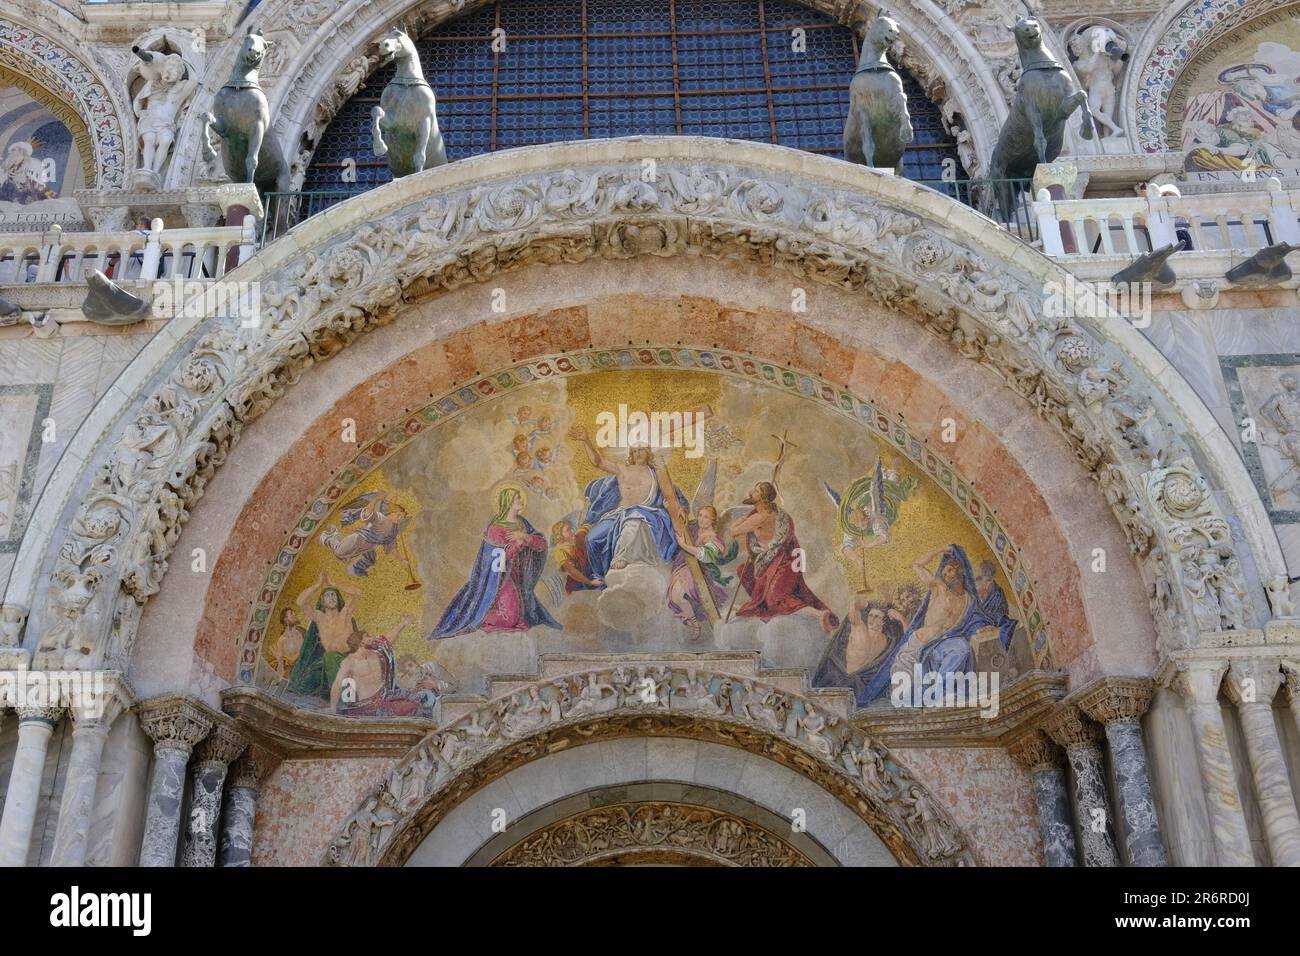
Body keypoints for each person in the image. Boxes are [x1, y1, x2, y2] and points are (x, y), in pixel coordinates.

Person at [429, 486, 560, 637]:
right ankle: (477, 615)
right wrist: (518, 543)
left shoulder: (523, 524)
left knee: (523, 615)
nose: (521, 500)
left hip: (520, 577)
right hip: (500, 579)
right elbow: (498, 561)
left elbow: (541, 544)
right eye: (517, 497)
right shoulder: (495, 529)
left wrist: (525, 537)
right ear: (509, 501)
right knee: (510, 619)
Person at [568, 425, 686, 576]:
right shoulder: (622, 469)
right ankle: (601, 575)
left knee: (633, 523)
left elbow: (671, 494)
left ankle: (621, 557)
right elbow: (598, 462)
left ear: (649, 451)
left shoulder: (657, 473)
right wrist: (586, 440)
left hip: (645, 513)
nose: (638, 453)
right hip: (619, 514)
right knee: (592, 539)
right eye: (634, 450)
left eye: (641, 449)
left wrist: (681, 508)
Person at [728, 482, 828, 620]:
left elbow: (733, 532)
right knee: (743, 571)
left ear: (763, 498)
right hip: (779, 560)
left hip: (781, 563)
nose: (751, 492)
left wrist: (742, 520)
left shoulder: (758, 517)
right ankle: (763, 606)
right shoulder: (776, 512)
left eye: (756, 491)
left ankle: (819, 615)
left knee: (774, 599)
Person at [814, 599, 905, 705]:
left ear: (883, 621)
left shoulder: (888, 641)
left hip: (862, 687)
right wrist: (867, 604)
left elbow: (909, 639)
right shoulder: (860, 629)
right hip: (843, 682)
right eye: (870, 615)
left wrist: (901, 618)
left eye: (877, 616)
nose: (871, 619)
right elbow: (853, 605)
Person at [287, 571, 362, 700]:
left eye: (333, 595)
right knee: (304, 683)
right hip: (327, 662)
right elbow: (300, 602)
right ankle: (337, 697)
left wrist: (335, 584)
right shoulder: (319, 617)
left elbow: (358, 592)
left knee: (333, 658)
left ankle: (345, 700)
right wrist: (317, 585)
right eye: (327, 595)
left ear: (338, 599)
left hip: (348, 658)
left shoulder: (346, 612)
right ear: (322, 601)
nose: (331, 597)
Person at [669, 506, 737, 639]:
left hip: (696, 571)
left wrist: (684, 545)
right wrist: (683, 512)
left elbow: (704, 555)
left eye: (706, 517)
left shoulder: (713, 538)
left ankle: (695, 624)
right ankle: (692, 622)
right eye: (700, 515)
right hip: (682, 566)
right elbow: (683, 523)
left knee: (677, 597)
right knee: (674, 598)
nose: (701, 519)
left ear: (712, 520)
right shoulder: (695, 528)